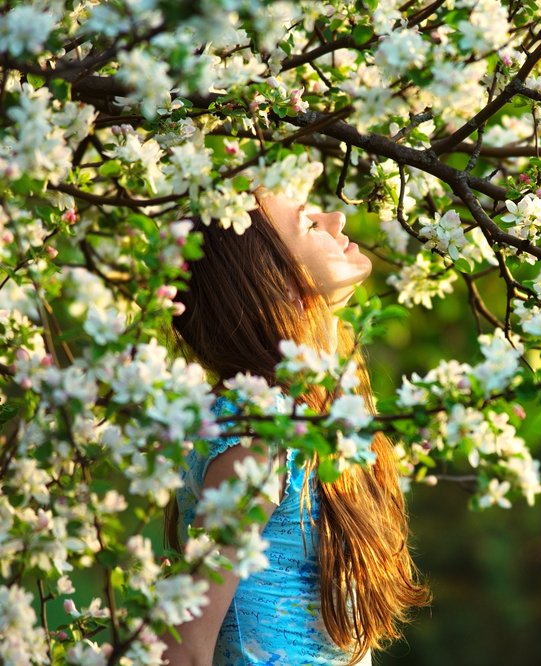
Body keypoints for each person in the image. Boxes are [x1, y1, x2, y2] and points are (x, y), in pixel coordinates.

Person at [163, 189, 429, 666]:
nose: (336, 217)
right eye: (308, 224)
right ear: (279, 282)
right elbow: (183, 647)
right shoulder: (261, 429)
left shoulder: (306, 416)